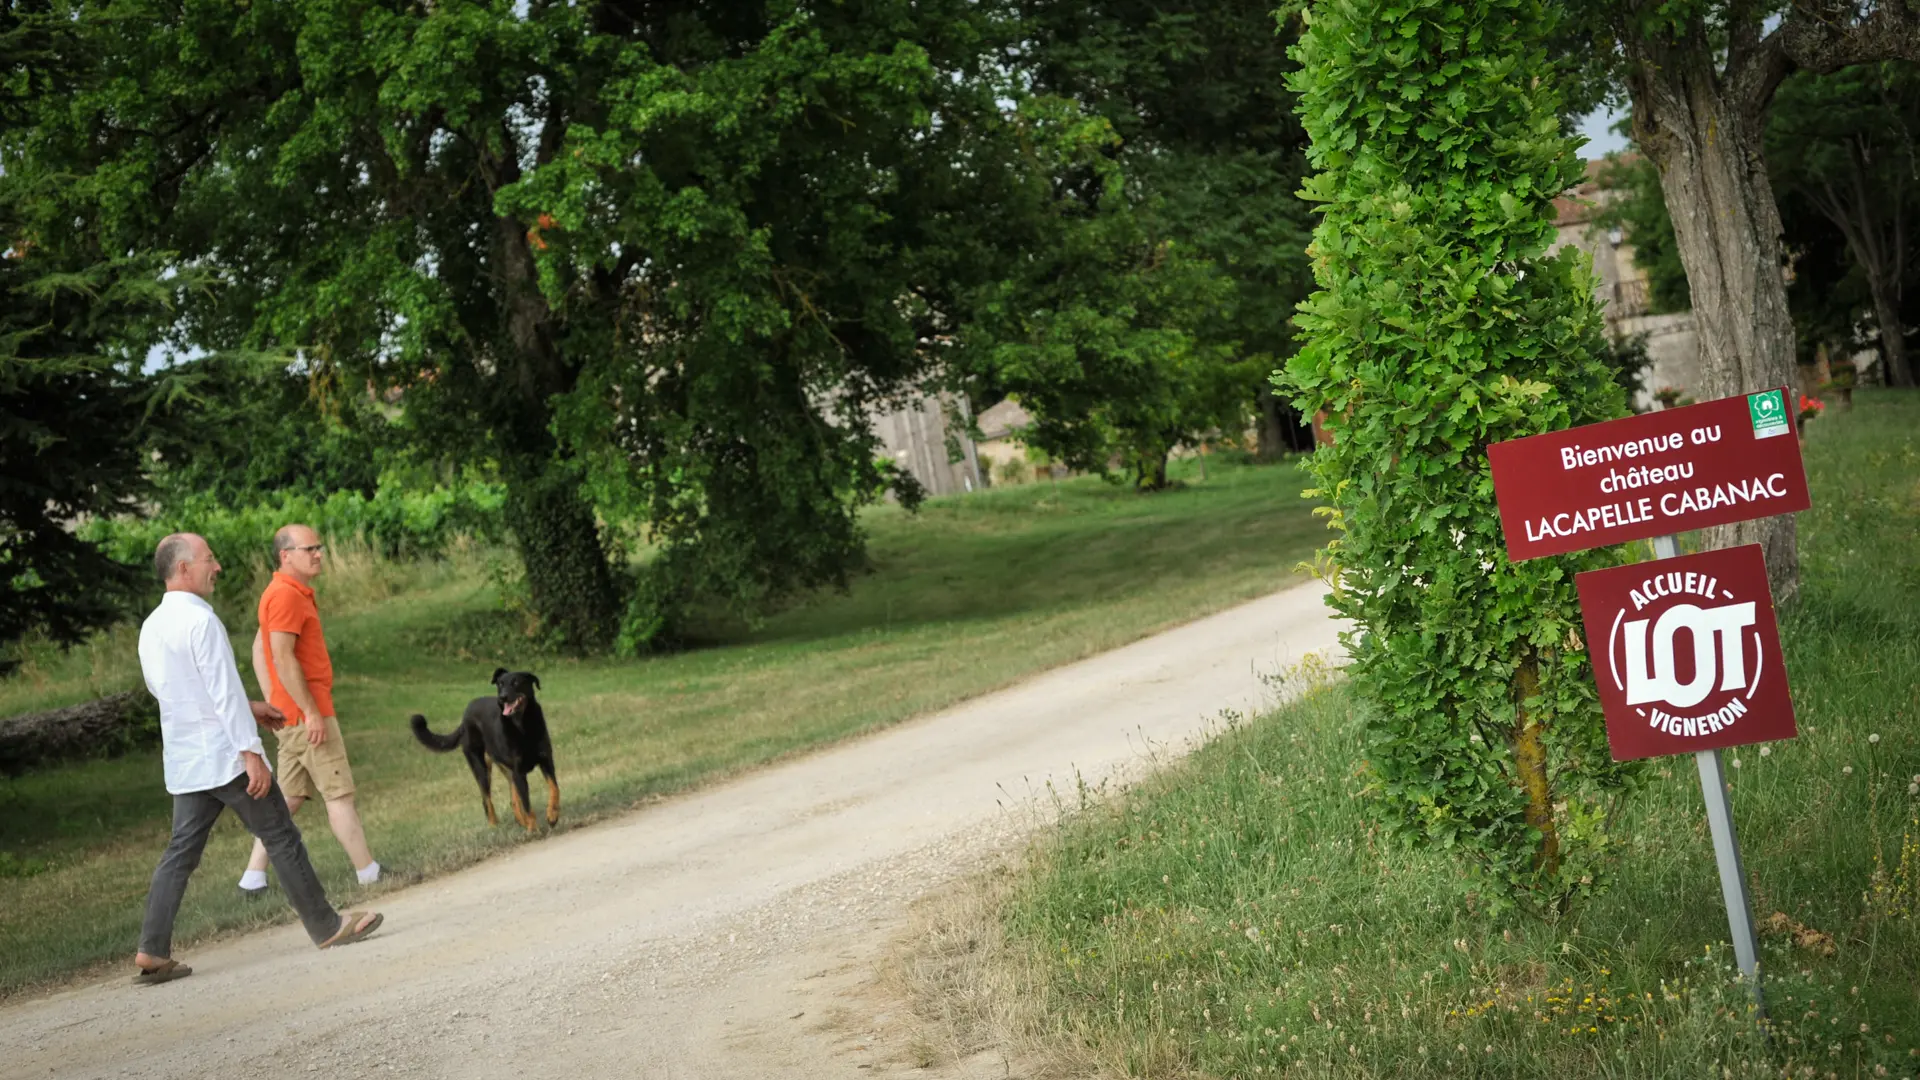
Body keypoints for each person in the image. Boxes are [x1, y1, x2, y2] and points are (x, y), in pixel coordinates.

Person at [135, 533, 384, 985]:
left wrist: (248, 706)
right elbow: (218, 692)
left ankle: (152, 950)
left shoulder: (152, 626)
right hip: (227, 756)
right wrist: (250, 753)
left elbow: (173, 692)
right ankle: (328, 927)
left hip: (188, 761)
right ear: (184, 569)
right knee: (281, 834)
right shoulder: (202, 622)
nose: (217, 567)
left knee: (180, 853)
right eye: (210, 559)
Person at [237, 524, 381, 897]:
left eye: (319, 547)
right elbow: (281, 657)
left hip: (291, 715)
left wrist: (274, 702)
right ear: (286, 555)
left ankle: (253, 877)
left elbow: (260, 648)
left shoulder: (284, 593)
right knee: (339, 794)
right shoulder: (285, 595)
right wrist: (309, 711)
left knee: (288, 797)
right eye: (309, 548)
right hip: (307, 715)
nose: (318, 553)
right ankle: (369, 872)